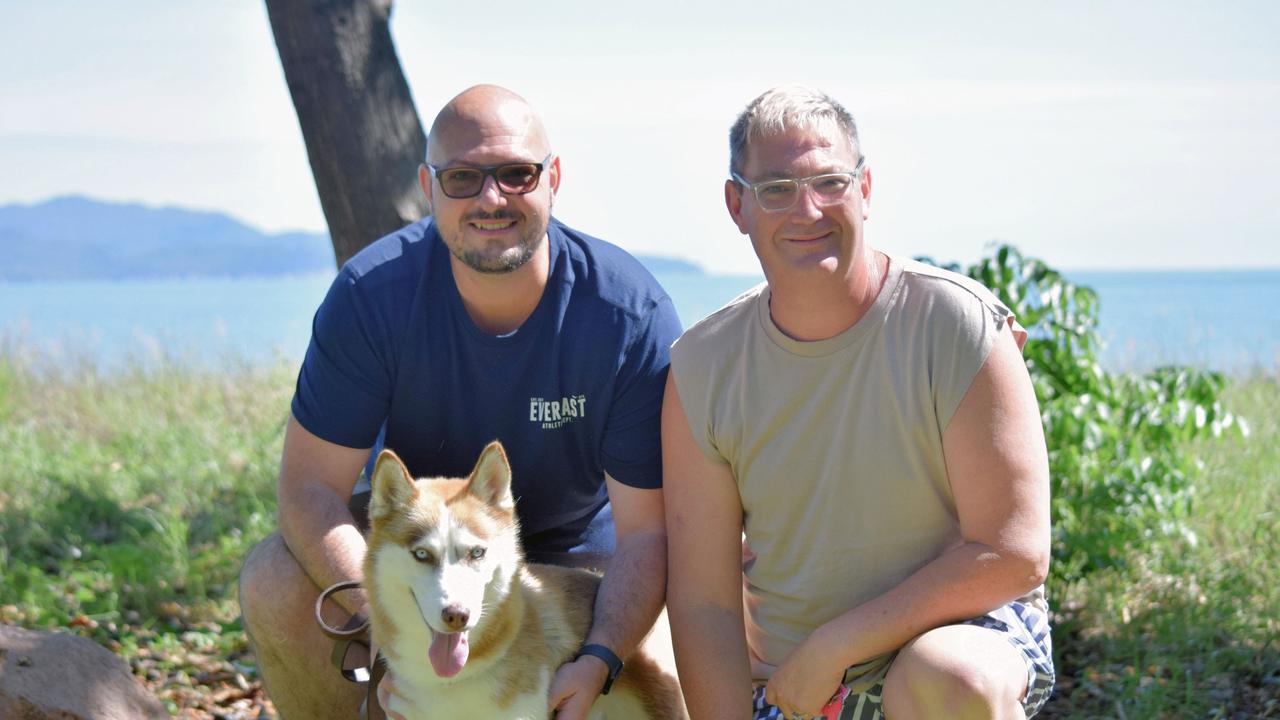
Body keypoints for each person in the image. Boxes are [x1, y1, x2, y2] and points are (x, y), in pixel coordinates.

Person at [239, 84, 682, 720]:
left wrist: (603, 656)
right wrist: (391, 632)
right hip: (422, 547)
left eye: (515, 174)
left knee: (660, 663)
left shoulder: (628, 315)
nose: (490, 198)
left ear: (552, 178)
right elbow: (308, 489)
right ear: (429, 185)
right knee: (274, 581)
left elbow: (651, 533)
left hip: (583, 561)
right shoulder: (371, 298)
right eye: (463, 178)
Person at [662, 86, 1055, 720]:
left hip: (962, 643)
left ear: (865, 190)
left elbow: (1014, 553)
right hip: (797, 690)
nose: (807, 209)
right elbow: (704, 602)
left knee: (947, 677)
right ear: (737, 204)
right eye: (776, 189)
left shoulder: (954, 321)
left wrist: (839, 644)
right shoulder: (702, 367)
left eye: (829, 182)